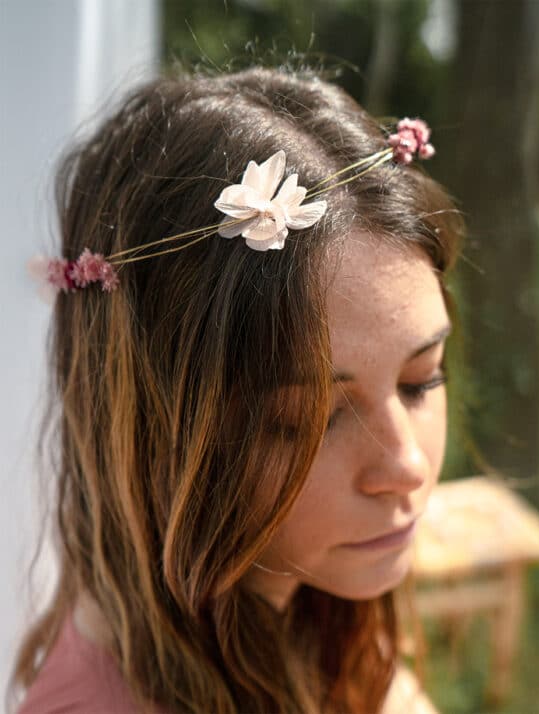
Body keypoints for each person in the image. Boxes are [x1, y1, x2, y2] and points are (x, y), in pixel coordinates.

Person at [10, 66, 462, 714]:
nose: (406, 467)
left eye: (421, 380)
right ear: (156, 427)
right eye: (310, 420)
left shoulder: (310, 618)